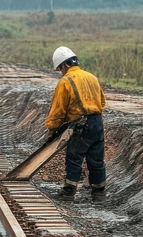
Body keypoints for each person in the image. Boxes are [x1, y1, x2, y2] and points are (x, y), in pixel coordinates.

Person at [45, 46, 107, 200]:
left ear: (65, 65)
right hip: (97, 122)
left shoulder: (65, 81)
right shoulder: (92, 77)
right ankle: (99, 193)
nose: (61, 71)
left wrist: (52, 130)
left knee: (74, 157)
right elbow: (102, 102)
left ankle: (68, 193)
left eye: (60, 68)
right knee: (96, 158)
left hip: (81, 125)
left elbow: (58, 110)